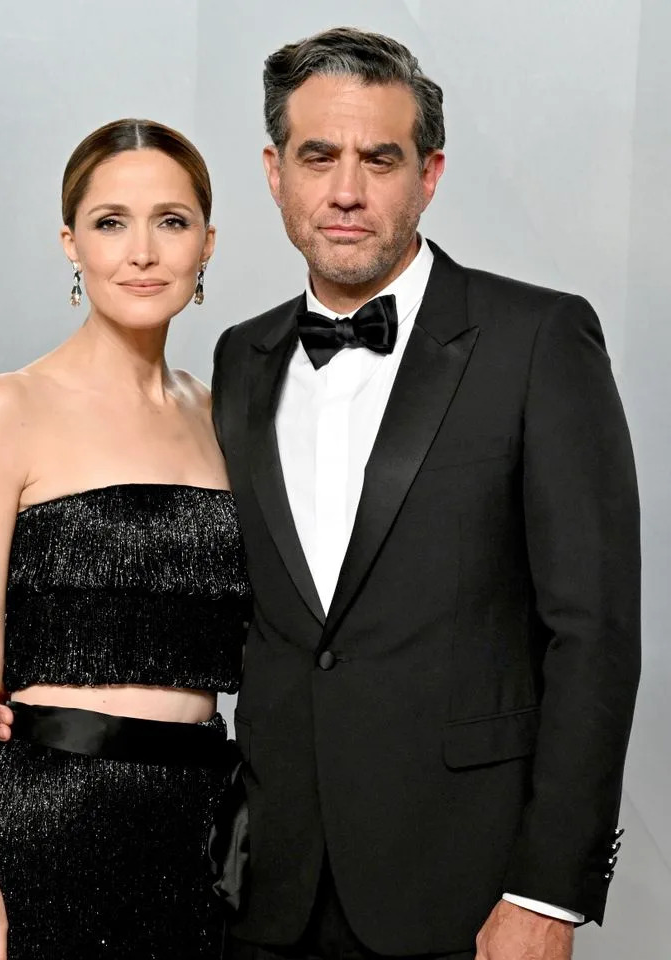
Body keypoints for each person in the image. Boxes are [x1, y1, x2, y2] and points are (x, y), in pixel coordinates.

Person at [209, 27, 640, 960]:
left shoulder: (540, 339)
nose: (348, 190)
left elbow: (595, 632)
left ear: (430, 173)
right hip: (268, 891)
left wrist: (548, 895)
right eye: (318, 156)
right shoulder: (240, 357)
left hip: (472, 893)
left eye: (381, 158)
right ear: (275, 172)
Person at [0, 118, 250, 960]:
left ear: (207, 244)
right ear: (70, 243)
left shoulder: (225, 418)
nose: (141, 251)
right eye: (111, 222)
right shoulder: (6, 410)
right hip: (50, 821)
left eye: (171, 222)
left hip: (202, 831)